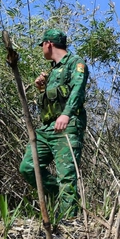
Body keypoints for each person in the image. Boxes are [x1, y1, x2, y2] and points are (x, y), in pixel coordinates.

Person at [19, 28, 89, 219]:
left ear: (48, 44)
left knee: (67, 176)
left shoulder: (75, 63)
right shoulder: (53, 70)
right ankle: (59, 195)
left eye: (42, 45)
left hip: (67, 126)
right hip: (47, 128)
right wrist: (42, 87)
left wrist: (66, 115)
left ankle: (68, 219)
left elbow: (77, 90)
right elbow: (54, 99)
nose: (42, 49)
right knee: (28, 167)